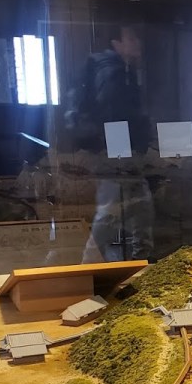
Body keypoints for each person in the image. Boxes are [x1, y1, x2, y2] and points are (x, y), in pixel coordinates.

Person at [65, 24, 154, 262]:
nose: (137, 43)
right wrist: (122, 156)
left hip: (119, 153)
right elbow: (112, 116)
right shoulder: (112, 72)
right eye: (131, 38)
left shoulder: (119, 69)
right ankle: (88, 269)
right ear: (116, 43)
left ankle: (138, 265)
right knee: (110, 215)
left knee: (140, 210)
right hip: (118, 155)